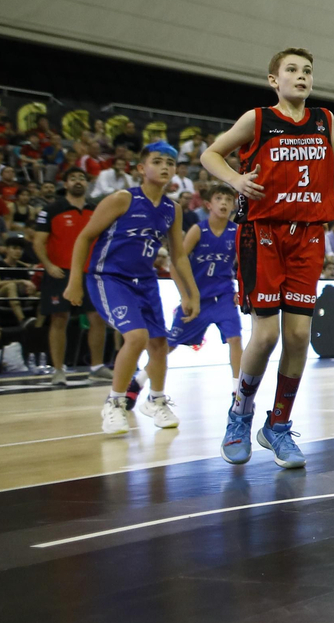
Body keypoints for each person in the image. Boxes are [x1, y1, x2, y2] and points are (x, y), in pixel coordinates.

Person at [201, 47, 334, 468]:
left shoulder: (325, 119)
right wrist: (234, 180)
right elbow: (210, 154)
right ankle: (239, 415)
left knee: (300, 337)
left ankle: (278, 425)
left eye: (307, 71)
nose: (301, 76)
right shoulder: (258, 119)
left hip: (308, 234)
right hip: (263, 233)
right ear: (275, 80)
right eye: (291, 70)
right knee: (265, 337)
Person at [64, 143, 202, 436]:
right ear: (141, 168)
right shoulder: (122, 199)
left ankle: (156, 400)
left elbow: (178, 257)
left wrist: (191, 294)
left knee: (159, 345)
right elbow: (85, 237)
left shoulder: (172, 209)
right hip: (110, 277)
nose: (165, 166)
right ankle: (114, 404)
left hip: (146, 281)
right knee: (137, 337)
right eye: (157, 161)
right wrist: (75, 280)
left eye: (170, 162)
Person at [33, 167, 112, 385]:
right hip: (60, 272)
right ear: (65, 183)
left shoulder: (96, 210)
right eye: (73, 178)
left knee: (97, 318)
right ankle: (59, 370)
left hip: (90, 272)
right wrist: (48, 266)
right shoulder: (52, 209)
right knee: (59, 319)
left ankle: (96, 367)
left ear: (87, 184)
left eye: (82, 178)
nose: (78, 181)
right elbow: (38, 241)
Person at [169, 185, 244, 375]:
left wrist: (241, 290)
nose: (224, 203)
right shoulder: (198, 230)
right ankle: (137, 383)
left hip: (223, 296)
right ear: (208, 205)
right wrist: (185, 296)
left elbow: (245, 266)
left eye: (228, 200)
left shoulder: (236, 232)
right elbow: (175, 264)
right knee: (170, 345)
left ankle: (239, 395)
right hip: (197, 298)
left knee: (235, 339)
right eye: (219, 199)